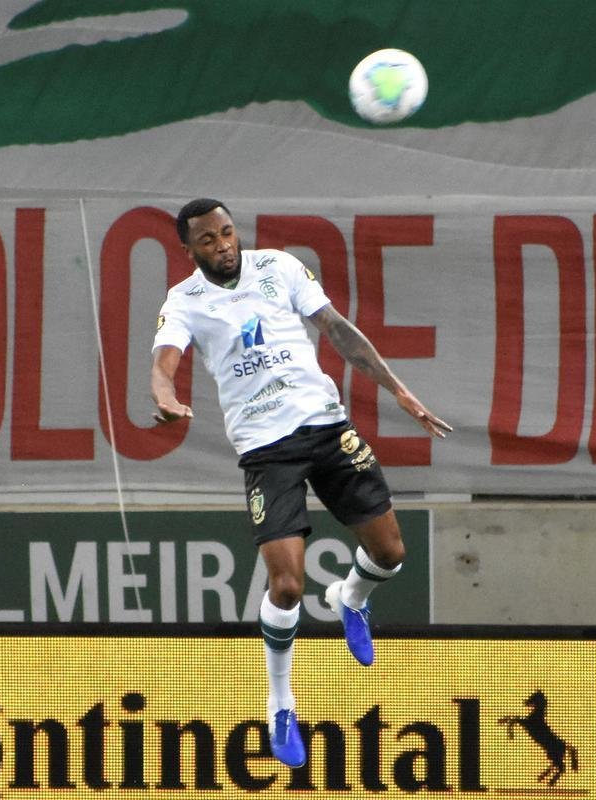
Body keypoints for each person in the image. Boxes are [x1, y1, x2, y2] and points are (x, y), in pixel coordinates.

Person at [150, 198, 450, 768]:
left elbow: (336, 329)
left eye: (227, 232)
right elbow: (164, 364)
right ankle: (281, 703)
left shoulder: (280, 267)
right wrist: (164, 397)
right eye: (208, 240)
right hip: (267, 450)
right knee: (287, 587)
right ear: (188, 250)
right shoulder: (183, 301)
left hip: (327, 425)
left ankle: (350, 597)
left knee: (390, 554)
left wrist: (399, 390)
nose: (223, 245)